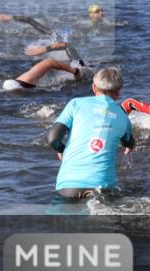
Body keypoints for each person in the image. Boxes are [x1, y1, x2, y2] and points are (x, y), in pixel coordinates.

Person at [47, 67, 135, 200]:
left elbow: (53, 139)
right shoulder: (124, 118)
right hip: (102, 186)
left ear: (94, 87)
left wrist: (62, 150)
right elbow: (129, 142)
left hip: (69, 184)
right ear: (118, 93)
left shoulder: (75, 104)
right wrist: (129, 145)